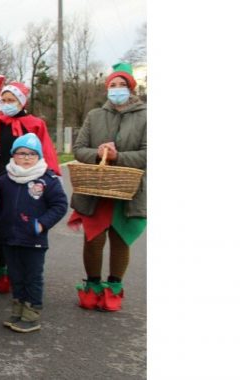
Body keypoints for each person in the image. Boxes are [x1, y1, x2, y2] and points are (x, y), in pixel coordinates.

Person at [69, 62, 146, 312]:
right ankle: (92, 285)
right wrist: (98, 153)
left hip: (128, 190)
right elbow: (79, 149)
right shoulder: (94, 116)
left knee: (120, 238)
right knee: (93, 238)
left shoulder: (146, 116)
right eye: (112, 85)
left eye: (122, 85)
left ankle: (114, 287)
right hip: (96, 189)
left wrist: (118, 156)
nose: (116, 89)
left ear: (131, 88)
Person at [0, 82, 61, 295]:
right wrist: (1, 174)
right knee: (1, 225)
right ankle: (3, 267)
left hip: (32, 179)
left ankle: (27, 271)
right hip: (4, 179)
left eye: (12, 100)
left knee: (25, 222)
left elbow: (45, 151)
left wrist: (49, 175)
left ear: (22, 101)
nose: (8, 105)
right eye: (5, 100)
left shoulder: (36, 124)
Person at [0, 133, 68, 333]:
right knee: (16, 275)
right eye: (21, 153)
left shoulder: (47, 180)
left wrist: (41, 224)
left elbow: (59, 205)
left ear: (39, 156)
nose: (25, 158)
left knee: (32, 276)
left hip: (34, 240)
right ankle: (18, 308)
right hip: (9, 237)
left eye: (31, 154)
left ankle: (32, 313)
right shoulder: (4, 180)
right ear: (13, 155)